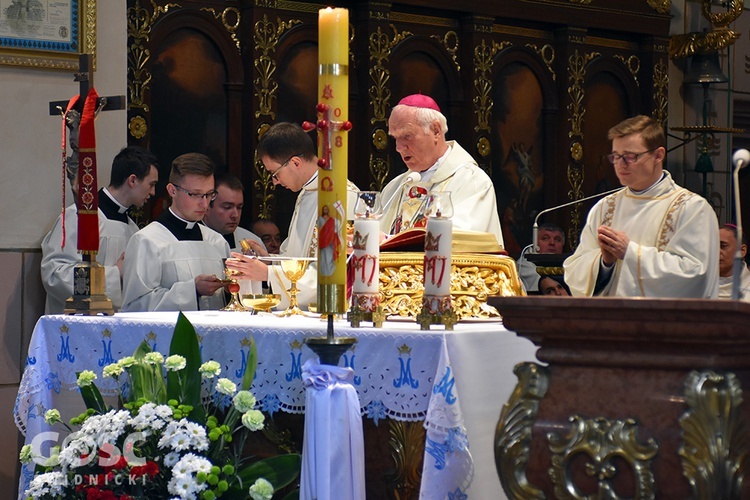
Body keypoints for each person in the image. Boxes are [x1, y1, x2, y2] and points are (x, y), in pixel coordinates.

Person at [563, 115, 719, 298]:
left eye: (630, 156)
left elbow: (696, 275)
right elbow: (575, 271)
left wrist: (630, 252)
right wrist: (605, 263)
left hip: (666, 324)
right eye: (615, 156)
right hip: (611, 322)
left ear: (658, 155)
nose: (620, 164)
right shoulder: (605, 208)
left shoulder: (692, 209)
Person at [225, 122, 358, 311]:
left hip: (327, 313)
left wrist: (269, 273)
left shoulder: (339, 196)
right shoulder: (306, 194)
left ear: (295, 162)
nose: (274, 182)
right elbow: (299, 258)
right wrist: (268, 259)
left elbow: (335, 270)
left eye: (274, 173)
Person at [41, 146, 159, 313]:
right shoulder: (77, 217)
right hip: (77, 325)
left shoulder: (132, 229)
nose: (153, 192)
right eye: (151, 184)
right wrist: (115, 273)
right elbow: (55, 274)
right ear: (132, 180)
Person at [379, 94, 504, 246]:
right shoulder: (395, 188)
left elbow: (462, 239)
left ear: (436, 131)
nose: (398, 147)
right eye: (395, 138)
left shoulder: (472, 182)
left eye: (407, 136)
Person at [121, 153, 230, 311]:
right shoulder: (147, 241)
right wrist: (192, 290)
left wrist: (229, 291)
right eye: (195, 194)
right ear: (172, 191)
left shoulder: (216, 241)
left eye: (209, 194)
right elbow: (135, 305)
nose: (204, 203)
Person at [517, 222, 565, 292]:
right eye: (545, 238)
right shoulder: (523, 265)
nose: (552, 243)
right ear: (534, 243)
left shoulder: (571, 264)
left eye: (557, 239)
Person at [718, 223, 750, 301]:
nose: (717, 251)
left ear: (742, 251)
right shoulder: (699, 285)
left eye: (723, 246)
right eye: (714, 246)